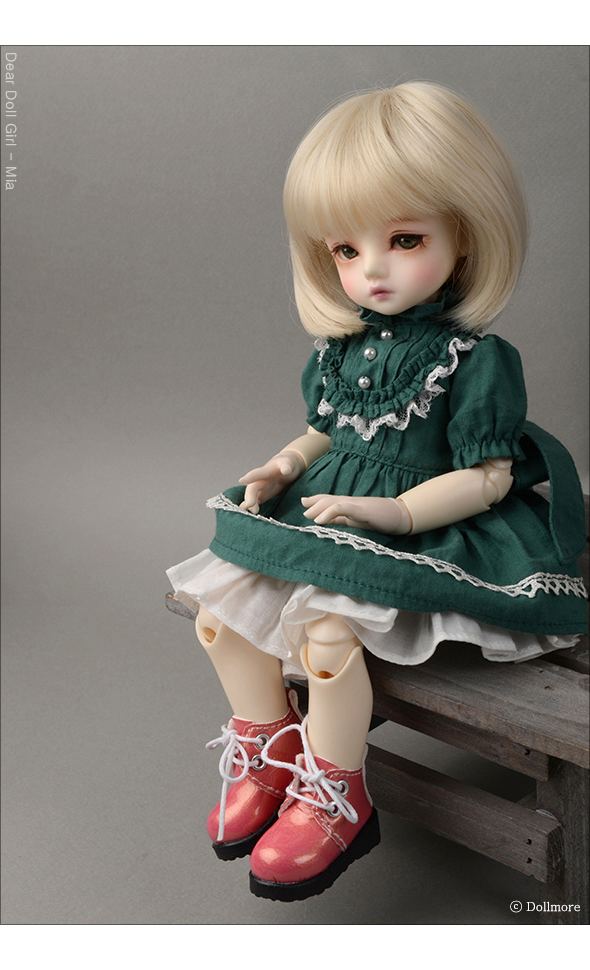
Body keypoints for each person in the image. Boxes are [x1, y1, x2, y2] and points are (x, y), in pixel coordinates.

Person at [167, 82, 587, 902]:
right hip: (331, 501)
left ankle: (338, 793)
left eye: (404, 239)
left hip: (432, 520)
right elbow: (326, 430)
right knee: (219, 617)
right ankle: (271, 747)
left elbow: (491, 475)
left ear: (466, 235)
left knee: (328, 638)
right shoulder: (340, 348)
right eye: (346, 250)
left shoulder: (476, 359)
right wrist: (281, 466)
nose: (374, 269)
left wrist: (393, 512)